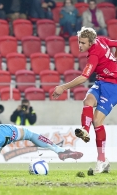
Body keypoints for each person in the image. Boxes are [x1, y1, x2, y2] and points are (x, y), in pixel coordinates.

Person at [52, 26, 117, 173]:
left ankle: (102, 160)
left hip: (113, 86)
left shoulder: (94, 54)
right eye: (79, 42)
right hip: (101, 82)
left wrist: (62, 87)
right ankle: (85, 130)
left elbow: (83, 77)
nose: (79, 45)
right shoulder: (101, 40)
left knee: (97, 121)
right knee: (87, 101)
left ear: (90, 43)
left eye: (82, 43)